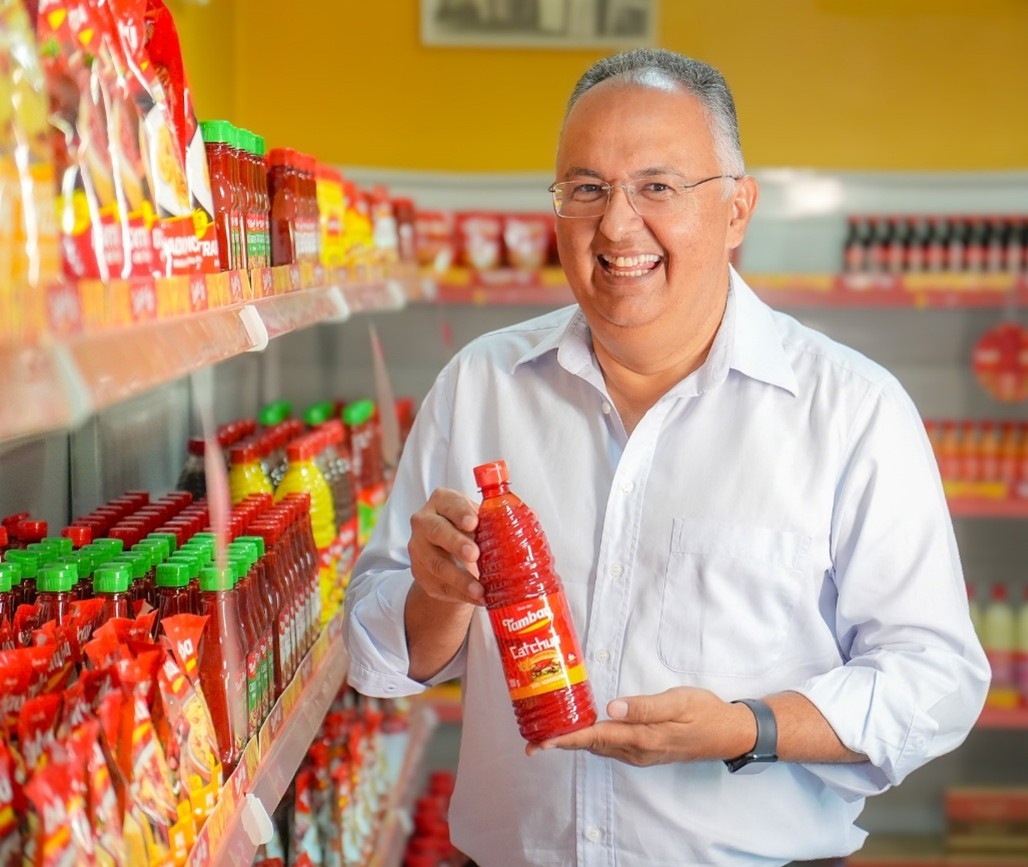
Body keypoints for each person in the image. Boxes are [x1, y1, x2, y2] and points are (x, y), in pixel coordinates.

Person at [345, 47, 990, 867]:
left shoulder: (850, 411)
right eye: (585, 189)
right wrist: (436, 596)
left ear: (736, 209)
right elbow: (374, 657)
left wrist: (746, 726)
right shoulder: (481, 385)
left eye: (657, 187)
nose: (616, 226)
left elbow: (934, 680)